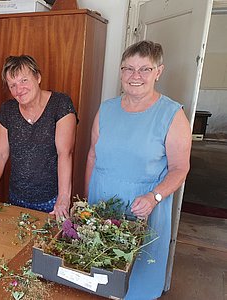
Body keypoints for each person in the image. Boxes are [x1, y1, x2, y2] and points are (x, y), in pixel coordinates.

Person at [85, 40, 192, 299]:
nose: (135, 76)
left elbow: (180, 168)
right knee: (98, 270)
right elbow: (92, 156)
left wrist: (154, 197)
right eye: (128, 68)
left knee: (138, 277)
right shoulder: (106, 108)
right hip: (102, 204)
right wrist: (87, 202)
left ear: (159, 71)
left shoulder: (171, 114)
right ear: (121, 72)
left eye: (144, 69)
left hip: (144, 209)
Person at [0, 55, 77, 220]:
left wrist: (63, 197)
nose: (19, 89)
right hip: (16, 199)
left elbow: (65, 153)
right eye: (13, 85)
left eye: (24, 80)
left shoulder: (60, 104)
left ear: (38, 77)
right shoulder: (8, 110)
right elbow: (0, 154)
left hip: (51, 201)